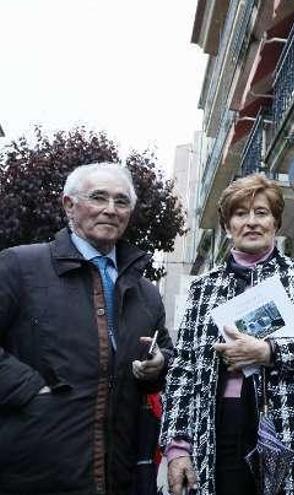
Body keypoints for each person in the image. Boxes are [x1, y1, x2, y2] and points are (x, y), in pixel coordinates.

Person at [160, 174, 294, 495]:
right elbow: (183, 370)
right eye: (240, 213)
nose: (252, 222)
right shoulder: (204, 288)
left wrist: (269, 352)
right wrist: (177, 448)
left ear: (275, 222)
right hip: (224, 429)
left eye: (261, 212)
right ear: (227, 225)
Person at [0, 162, 172, 493]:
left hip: (116, 471)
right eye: (98, 197)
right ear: (69, 205)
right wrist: (30, 390)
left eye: (121, 202)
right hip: (33, 471)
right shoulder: (20, 266)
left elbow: (166, 356)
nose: (110, 209)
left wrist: (159, 363)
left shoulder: (145, 292)